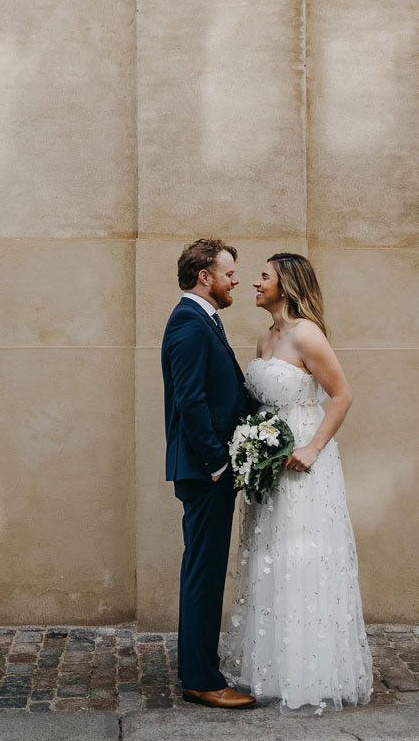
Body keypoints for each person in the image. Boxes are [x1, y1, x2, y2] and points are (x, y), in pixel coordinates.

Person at [225, 252, 372, 710]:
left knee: (302, 558)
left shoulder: (306, 334)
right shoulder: (265, 336)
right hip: (269, 466)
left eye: (263, 276)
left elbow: (342, 396)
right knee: (270, 556)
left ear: (285, 284)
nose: (254, 282)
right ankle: (270, 665)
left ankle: (309, 672)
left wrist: (311, 450)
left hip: (302, 465)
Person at [161, 239, 257, 710]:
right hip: (206, 474)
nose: (236, 279)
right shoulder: (188, 323)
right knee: (203, 572)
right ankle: (201, 679)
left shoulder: (205, 321)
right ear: (205, 276)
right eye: (229, 272)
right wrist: (218, 463)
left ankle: (201, 666)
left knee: (206, 569)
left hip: (211, 470)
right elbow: (190, 400)